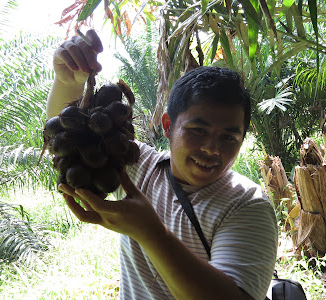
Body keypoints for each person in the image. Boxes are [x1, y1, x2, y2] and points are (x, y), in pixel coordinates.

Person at [46, 29, 278, 300]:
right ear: (168, 126)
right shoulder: (139, 168)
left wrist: (150, 233)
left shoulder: (248, 204)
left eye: (228, 137)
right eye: (198, 130)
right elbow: (71, 138)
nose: (212, 149)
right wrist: (68, 81)